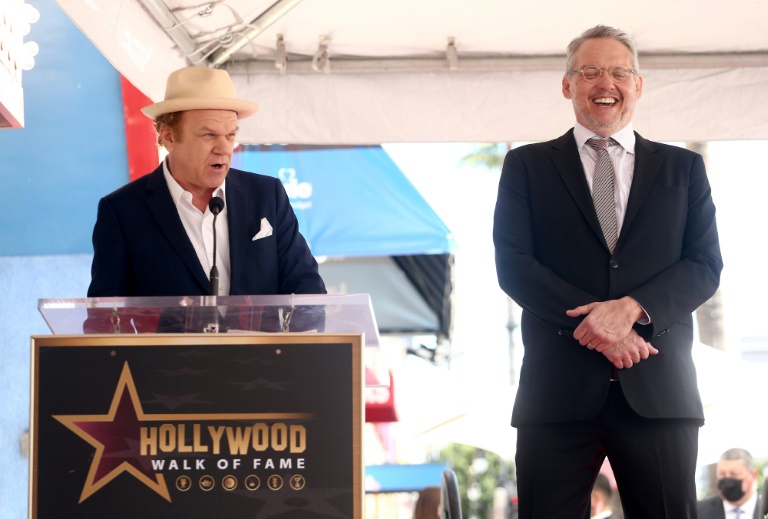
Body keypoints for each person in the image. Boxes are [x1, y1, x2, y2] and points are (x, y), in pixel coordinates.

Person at [493, 25, 723, 518]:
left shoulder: (683, 168)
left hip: (658, 390)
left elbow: (704, 265)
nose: (606, 83)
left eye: (620, 72)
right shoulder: (526, 166)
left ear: (638, 85)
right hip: (557, 396)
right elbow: (514, 265)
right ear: (567, 84)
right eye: (591, 71)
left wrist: (632, 310)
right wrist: (601, 329)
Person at [87, 66, 325, 301]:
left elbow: (307, 287)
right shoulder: (122, 211)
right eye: (209, 135)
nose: (224, 149)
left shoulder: (267, 195)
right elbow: (106, 314)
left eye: (230, 135)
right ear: (169, 137)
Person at [697, 448, 762, 519]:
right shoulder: (699, 511)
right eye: (722, 474)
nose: (728, 479)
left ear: (753, 475)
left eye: (734, 474)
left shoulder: (765, 509)